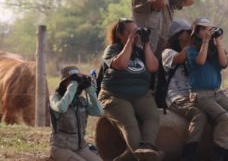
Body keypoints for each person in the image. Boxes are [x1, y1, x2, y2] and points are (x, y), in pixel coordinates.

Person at [98, 18, 161, 161]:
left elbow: (153, 67)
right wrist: (129, 43)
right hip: (115, 95)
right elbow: (121, 64)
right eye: (131, 31)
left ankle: (148, 148)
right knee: (130, 123)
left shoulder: (140, 51)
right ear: (120, 34)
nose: (135, 34)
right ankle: (143, 156)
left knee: (152, 116)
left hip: (140, 94)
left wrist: (146, 45)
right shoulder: (112, 49)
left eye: (136, 31)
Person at [186, 18, 228, 161]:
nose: (209, 31)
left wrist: (218, 42)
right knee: (223, 117)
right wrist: (206, 41)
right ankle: (219, 154)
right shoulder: (190, 50)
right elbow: (200, 62)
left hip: (217, 93)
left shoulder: (215, 50)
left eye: (211, 28)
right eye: (205, 29)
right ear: (197, 32)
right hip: (200, 94)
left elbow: (224, 63)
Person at [161, 19, 208, 161]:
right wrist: (194, 44)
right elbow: (180, 58)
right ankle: (189, 154)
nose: (191, 34)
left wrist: (209, 46)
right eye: (188, 32)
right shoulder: (167, 52)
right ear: (178, 35)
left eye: (192, 31)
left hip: (194, 94)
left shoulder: (196, 52)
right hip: (176, 97)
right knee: (199, 115)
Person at [49, 66, 103, 161]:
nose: (76, 84)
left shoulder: (81, 101)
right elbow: (62, 107)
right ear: (64, 83)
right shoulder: (54, 98)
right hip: (60, 148)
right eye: (71, 80)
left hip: (80, 148)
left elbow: (99, 112)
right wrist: (73, 85)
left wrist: (90, 91)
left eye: (78, 81)